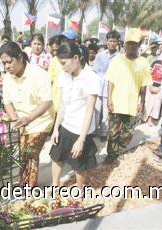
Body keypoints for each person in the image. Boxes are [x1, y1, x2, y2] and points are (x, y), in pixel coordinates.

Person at [0, 42, 54, 187]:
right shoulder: (7, 78)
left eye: (9, 62)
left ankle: (29, 187)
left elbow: (47, 101)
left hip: (41, 120)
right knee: (23, 153)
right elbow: (7, 102)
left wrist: (29, 118)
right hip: (22, 121)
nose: (6, 66)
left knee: (30, 151)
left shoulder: (39, 74)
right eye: (4, 63)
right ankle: (23, 183)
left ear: (20, 57)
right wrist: (15, 119)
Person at [50, 42, 99, 190]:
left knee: (79, 165)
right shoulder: (65, 75)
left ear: (76, 58)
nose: (62, 67)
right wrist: (56, 128)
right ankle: (55, 186)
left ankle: (79, 191)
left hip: (81, 129)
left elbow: (90, 110)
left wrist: (81, 140)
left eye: (64, 63)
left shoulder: (91, 77)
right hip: (65, 125)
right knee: (56, 157)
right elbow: (63, 104)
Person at [105, 28, 152, 164]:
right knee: (113, 132)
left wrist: (142, 102)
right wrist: (109, 99)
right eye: (128, 43)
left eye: (134, 43)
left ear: (138, 45)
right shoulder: (117, 61)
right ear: (124, 44)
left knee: (128, 133)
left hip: (132, 105)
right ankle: (111, 154)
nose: (131, 46)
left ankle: (118, 150)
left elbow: (144, 85)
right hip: (116, 103)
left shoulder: (143, 62)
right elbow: (110, 81)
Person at [92, 30, 120, 141]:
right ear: (106, 41)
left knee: (106, 112)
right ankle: (93, 130)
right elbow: (94, 71)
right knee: (96, 110)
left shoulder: (120, 57)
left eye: (114, 41)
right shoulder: (100, 56)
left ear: (118, 42)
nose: (112, 43)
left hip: (111, 88)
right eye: (110, 41)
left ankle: (104, 132)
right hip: (99, 87)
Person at [142, 59, 162, 126]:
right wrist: (150, 86)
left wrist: (160, 88)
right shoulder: (156, 62)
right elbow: (148, 74)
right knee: (147, 102)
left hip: (160, 87)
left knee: (156, 104)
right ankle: (143, 117)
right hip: (151, 84)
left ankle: (150, 119)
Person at [48, 35, 66, 112]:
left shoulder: (72, 61)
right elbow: (49, 81)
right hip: (56, 102)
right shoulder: (54, 61)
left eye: (57, 50)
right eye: (53, 50)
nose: (55, 53)